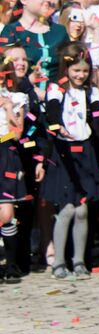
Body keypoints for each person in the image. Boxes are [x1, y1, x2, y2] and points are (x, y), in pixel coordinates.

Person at [44, 43, 99, 280]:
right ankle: (59, 261)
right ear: (66, 69)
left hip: (85, 152)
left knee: (82, 210)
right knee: (67, 209)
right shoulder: (56, 89)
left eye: (84, 71)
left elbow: (98, 115)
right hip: (64, 154)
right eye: (76, 71)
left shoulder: (90, 92)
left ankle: (79, 260)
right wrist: (57, 126)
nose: (80, 75)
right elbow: (51, 111)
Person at [1, 0, 67, 83]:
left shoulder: (60, 32)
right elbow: (4, 71)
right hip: (22, 96)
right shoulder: (11, 31)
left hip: (56, 96)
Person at [0, 57, 29, 282]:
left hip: (6, 152)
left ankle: (12, 264)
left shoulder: (16, 98)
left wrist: (9, 108)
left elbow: (18, 132)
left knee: (6, 213)